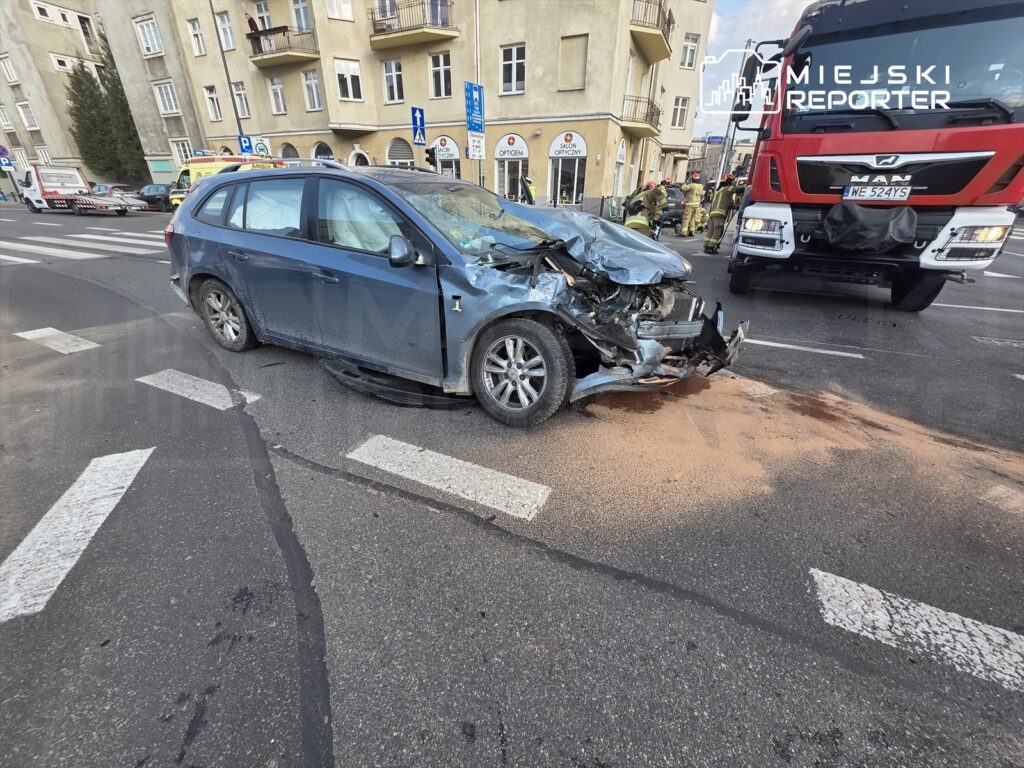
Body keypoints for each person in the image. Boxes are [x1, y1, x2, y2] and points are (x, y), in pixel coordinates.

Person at [703, 173, 741, 253]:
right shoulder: (728, 189)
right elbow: (736, 189)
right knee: (717, 231)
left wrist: (734, 206)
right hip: (720, 214)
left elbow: (727, 203)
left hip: (713, 213)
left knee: (710, 231)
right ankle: (711, 248)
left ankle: (706, 247)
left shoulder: (720, 191)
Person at [678, 171, 704, 237]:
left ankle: (684, 232)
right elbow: (701, 194)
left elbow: (683, 188)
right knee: (693, 218)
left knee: (686, 218)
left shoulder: (691, 185)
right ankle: (691, 231)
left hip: (690, 204)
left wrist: (686, 183)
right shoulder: (701, 186)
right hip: (697, 204)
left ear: (693, 178)